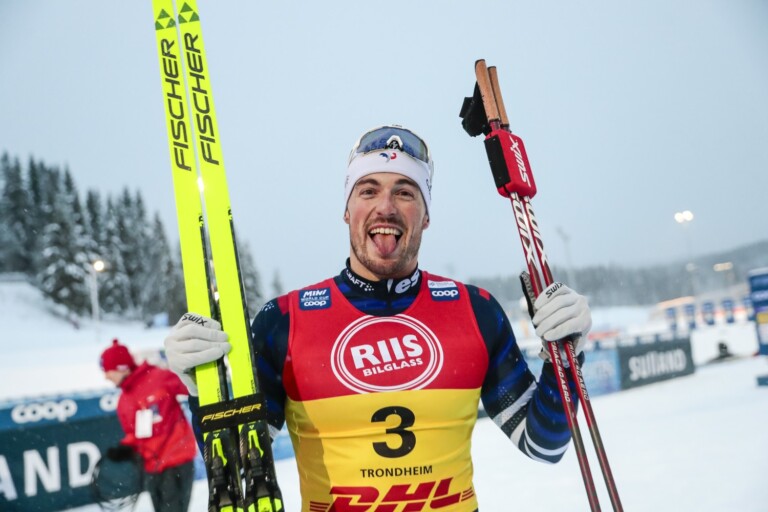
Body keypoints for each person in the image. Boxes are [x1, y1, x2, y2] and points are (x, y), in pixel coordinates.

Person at [164, 125, 592, 511]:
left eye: (405, 192)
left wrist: (566, 355)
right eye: (368, 191)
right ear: (346, 210)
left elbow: (544, 442)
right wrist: (201, 388)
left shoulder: (475, 311)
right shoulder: (285, 321)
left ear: (426, 215)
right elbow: (241, 471)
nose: (385, 207)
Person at [100, 338, 197, 512]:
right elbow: (135, 435)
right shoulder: (123, 401)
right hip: (152, 468)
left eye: (108, 370)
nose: (106, 376)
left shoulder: (158, 377)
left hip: (176, 461)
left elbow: (195, 387)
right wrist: (125, 448)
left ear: (122, 367)